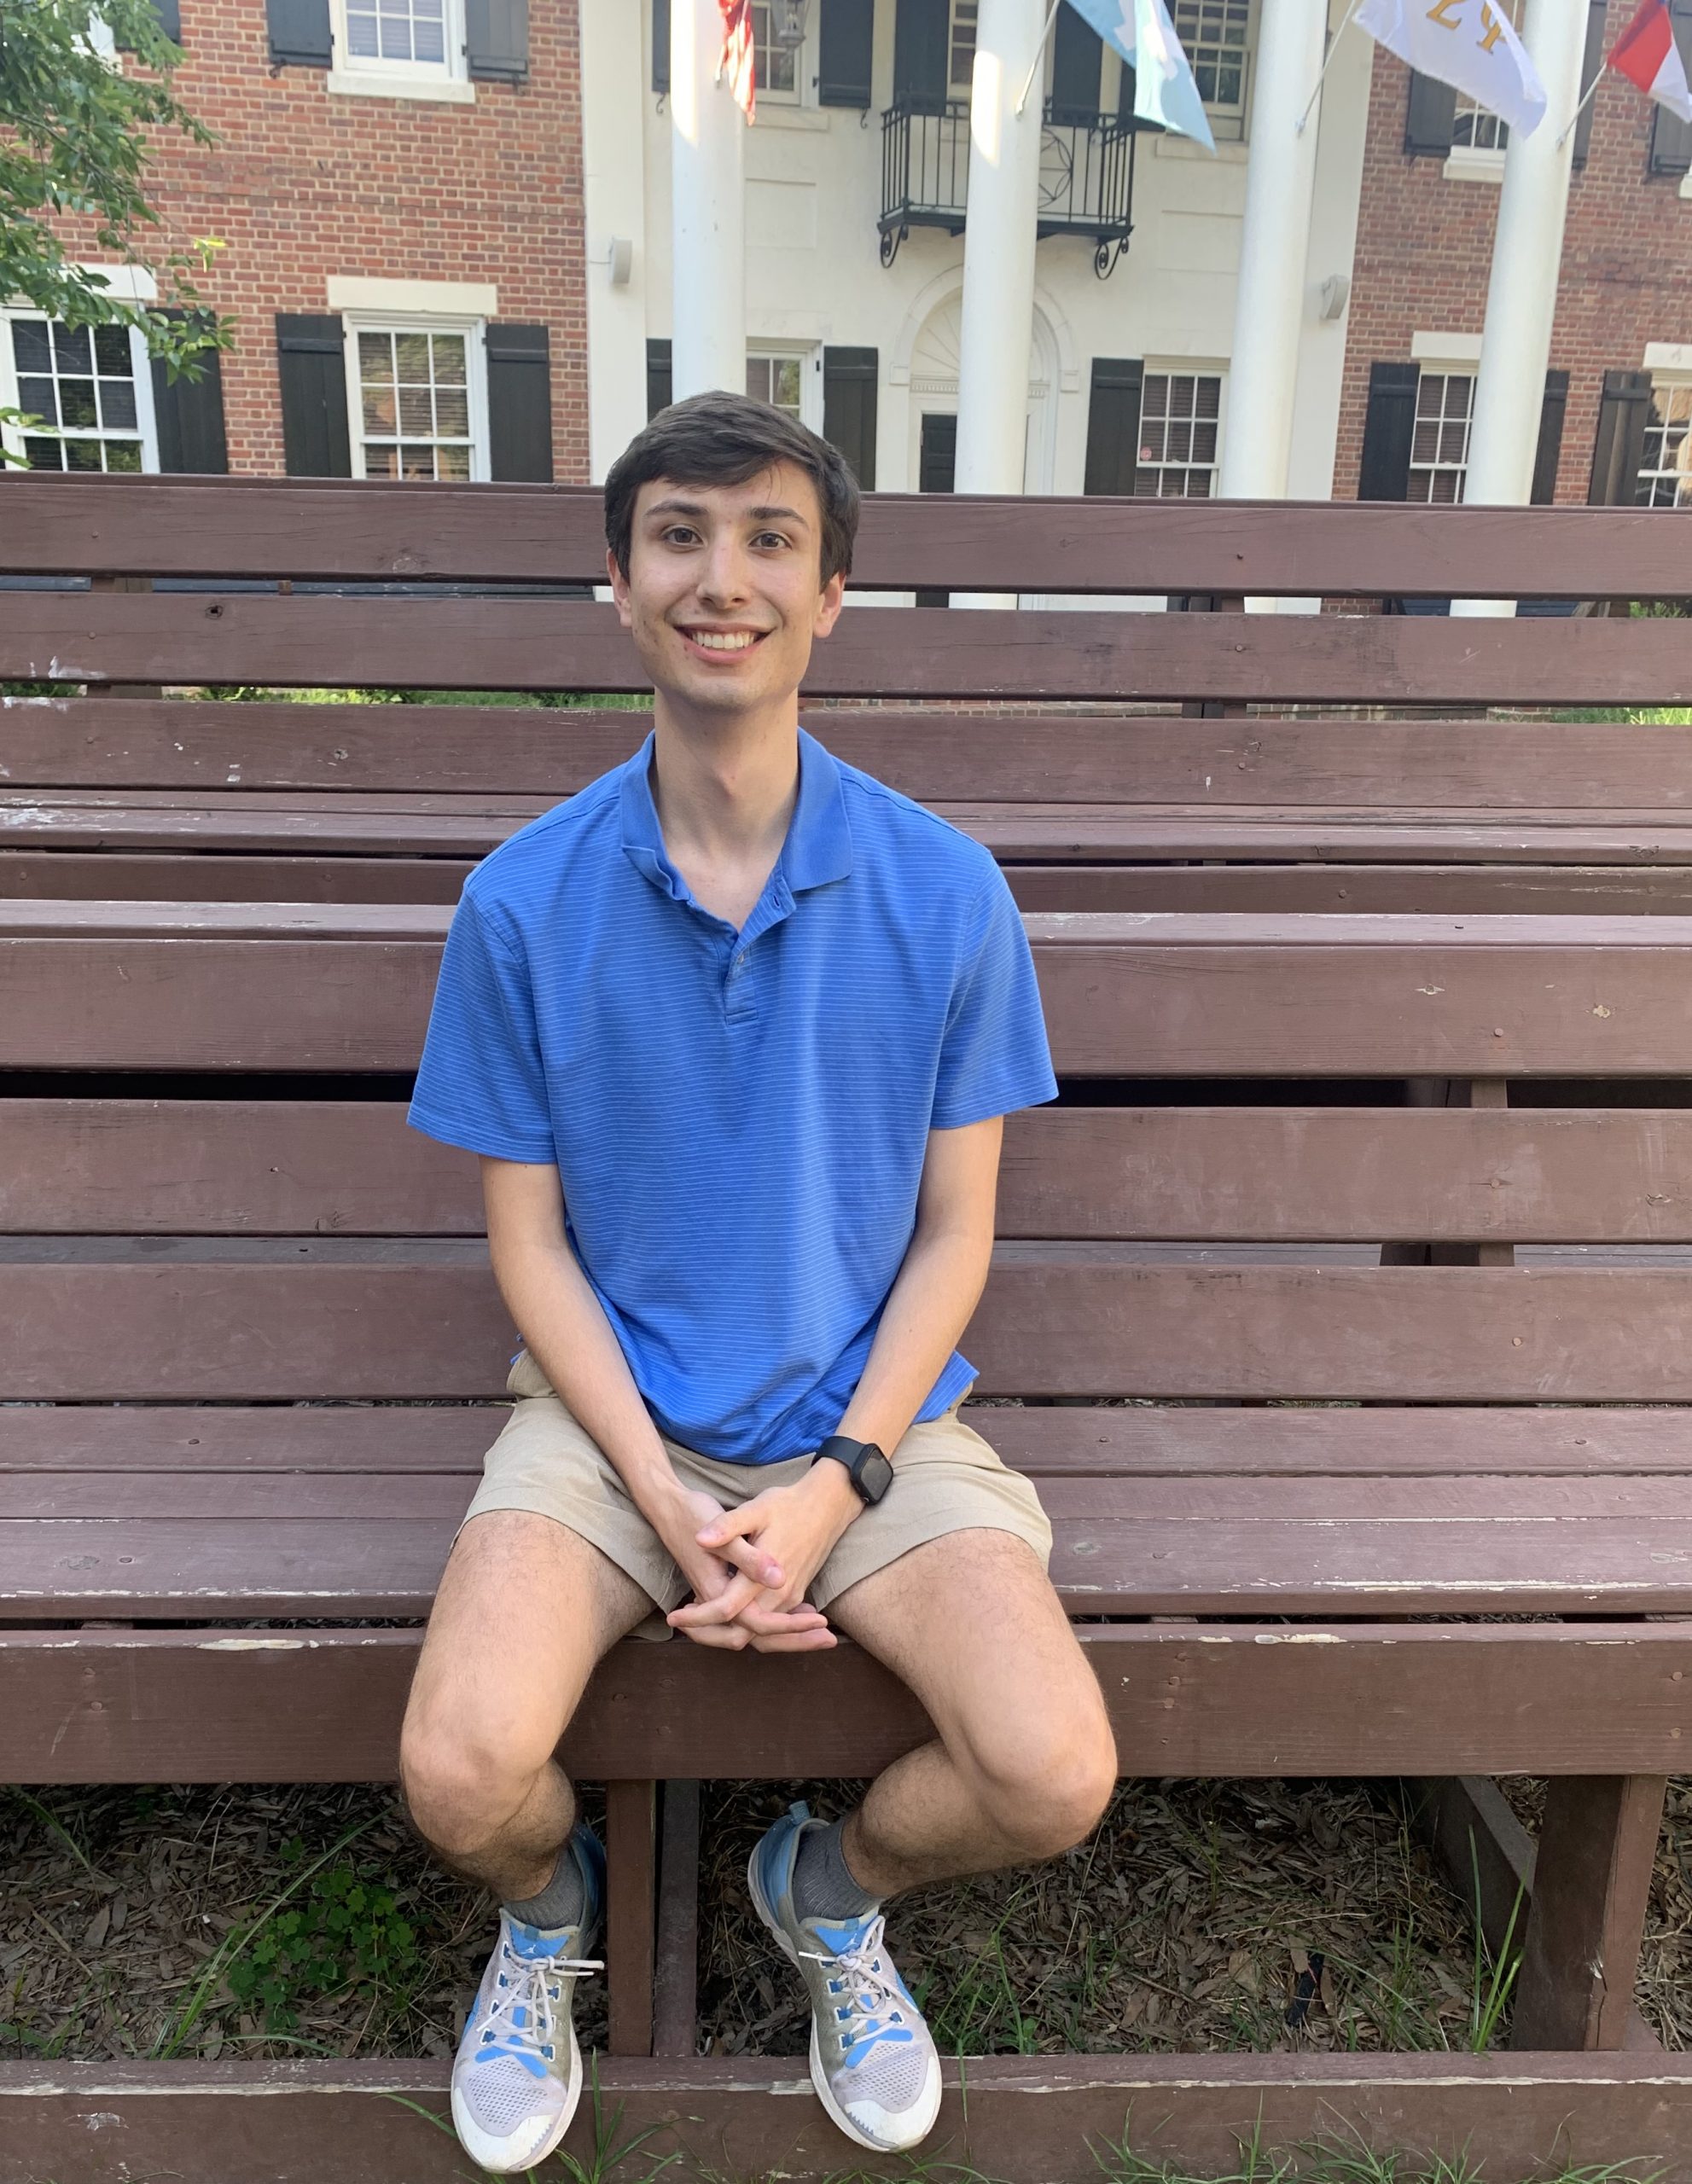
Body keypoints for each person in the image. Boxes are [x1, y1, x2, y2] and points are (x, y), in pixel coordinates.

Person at [400, 391, 1119, 2172]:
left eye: (769, 539)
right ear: (620, 587)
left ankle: (821, 1881)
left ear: (831, 592)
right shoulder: (519, 901)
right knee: (458, 1770)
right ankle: (550, 1909)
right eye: (678, 536)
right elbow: (526, 1244)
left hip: (863, 1426)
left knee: (1048, 1769)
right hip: (602, 1418)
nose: (722, 577)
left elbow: (955, 1238)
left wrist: (828, 1488)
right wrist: (659, 1489)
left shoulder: (943, 891)